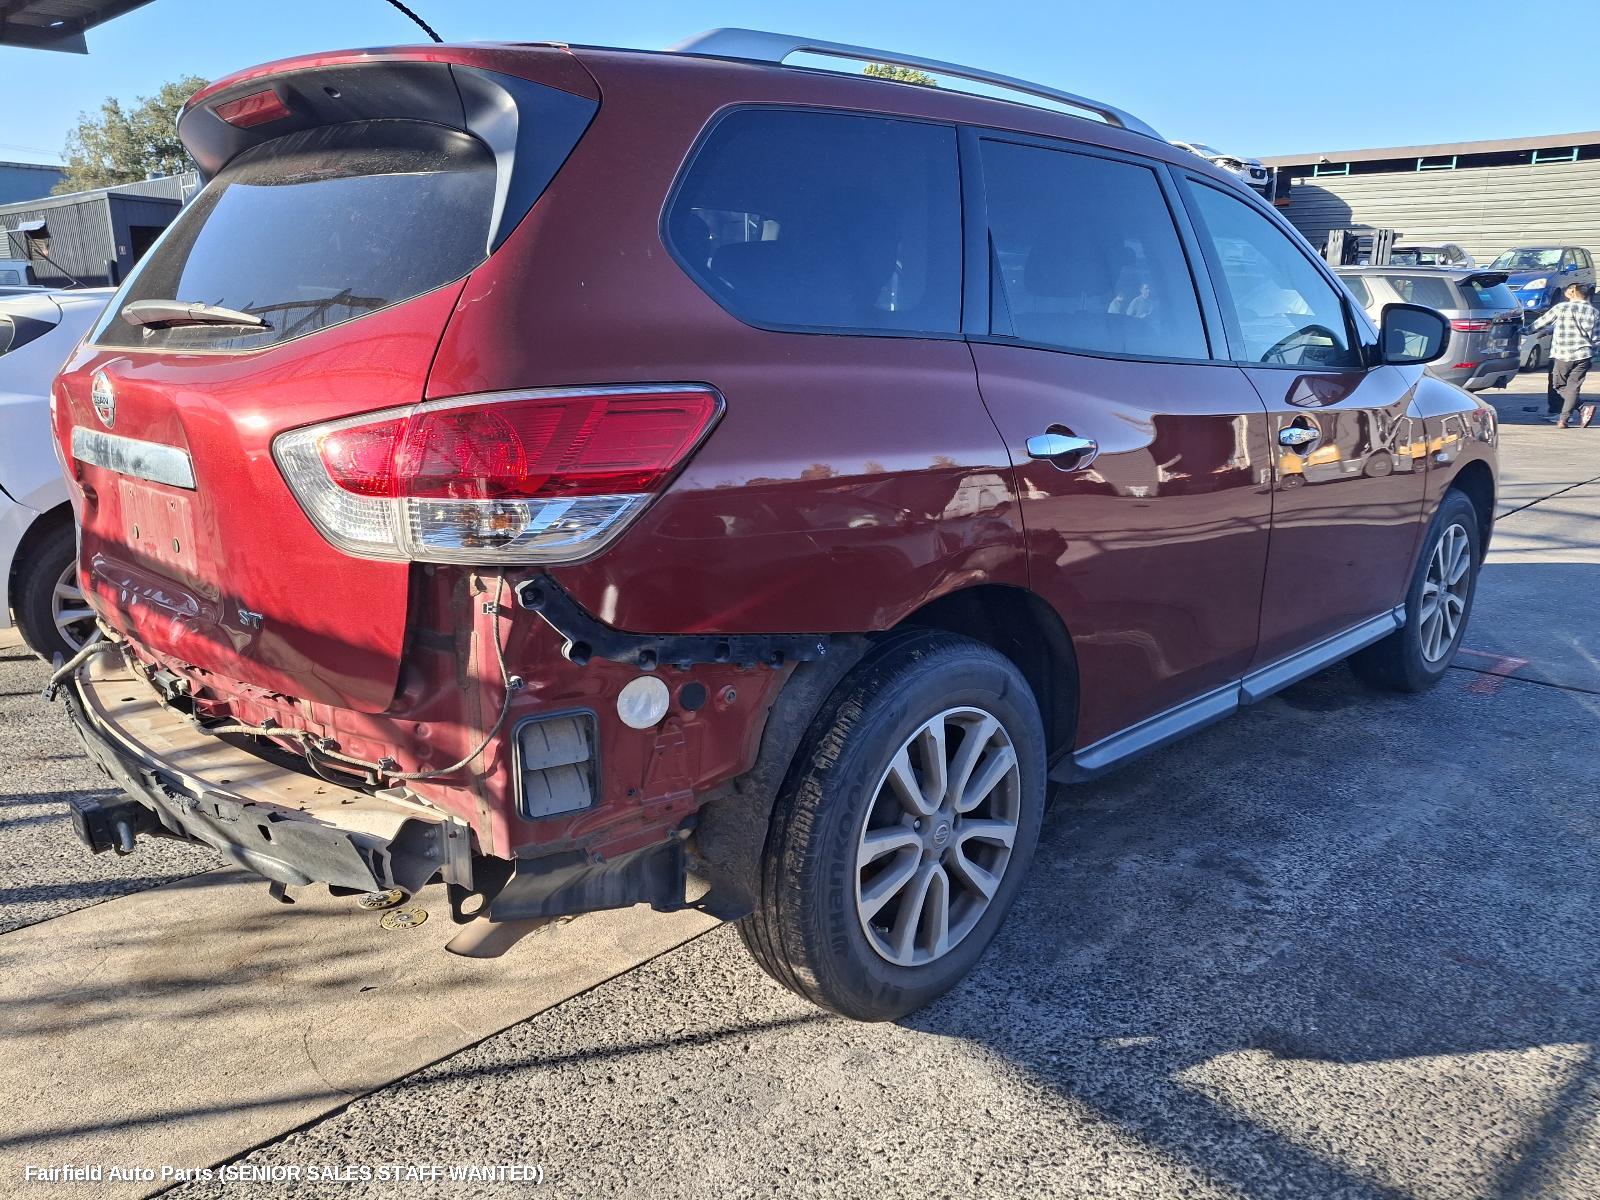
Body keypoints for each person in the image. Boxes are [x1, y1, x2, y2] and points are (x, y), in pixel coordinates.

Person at [1533, 281, 1599, 428]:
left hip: (1563, 355)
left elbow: (1540, 322)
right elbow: (1596, 338)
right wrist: (1592, 357)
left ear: (1572, 292)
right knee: (1573, 387)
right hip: (1584, 355)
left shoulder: (1562, 308)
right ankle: (1563, 420)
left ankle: (1582, 408)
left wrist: (1523, 331)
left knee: (1558, 386)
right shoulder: (1594, 312)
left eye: (1566, 290)